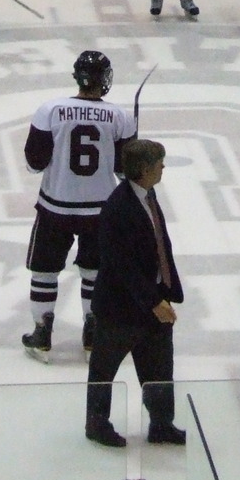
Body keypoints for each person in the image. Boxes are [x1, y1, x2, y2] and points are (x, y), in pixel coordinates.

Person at [22, 51, 136, 360]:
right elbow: (125, 171)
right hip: (100, 210)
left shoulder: (50, 110)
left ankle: (42, 332)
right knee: (95, 272)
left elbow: (34, 163)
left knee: (44, 271)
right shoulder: (120, 116)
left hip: (54, 207)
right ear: (104, 79)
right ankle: (93, 331)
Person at [85, 138, 186, 448]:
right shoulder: (118, 208)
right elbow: (121, 265)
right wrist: (154, 302)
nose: (163, 167)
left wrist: (167, 290)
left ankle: (161, 423)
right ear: (144, 169)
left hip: (151, 300)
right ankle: (96, 423)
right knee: (104, 370)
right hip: (120, 309)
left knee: (159, 368)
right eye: (158, 163)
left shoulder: (148, 195)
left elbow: (160, 243)